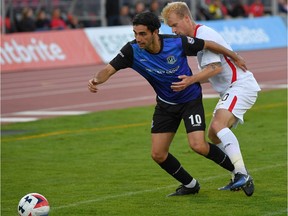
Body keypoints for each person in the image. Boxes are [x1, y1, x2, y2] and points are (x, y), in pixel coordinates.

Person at [88, 11, 249, 196]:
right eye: (135, 33)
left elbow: (209, 45)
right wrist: (95, 80)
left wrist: (234, 56)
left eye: (142, 34)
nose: (138, 38)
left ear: (155, 32)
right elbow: (108, 70)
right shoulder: (132, 51)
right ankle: (190, 185)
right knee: (158, 154)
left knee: (198, 145)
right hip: (165, 105)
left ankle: (239, 172)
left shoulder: (176, 43)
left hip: (190, 100)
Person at [161, 2, 261, 196]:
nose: (174, 31)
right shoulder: (197, 38)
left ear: (187, 19)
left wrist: (190, 81)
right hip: (232, 89)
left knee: (218, 126)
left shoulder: (203, 34)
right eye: (170, 27)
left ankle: (242, 173)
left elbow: (215, 68)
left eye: (174, 25)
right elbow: (212, 72)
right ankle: (239, 174)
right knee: (214, 136)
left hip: (240, 86)